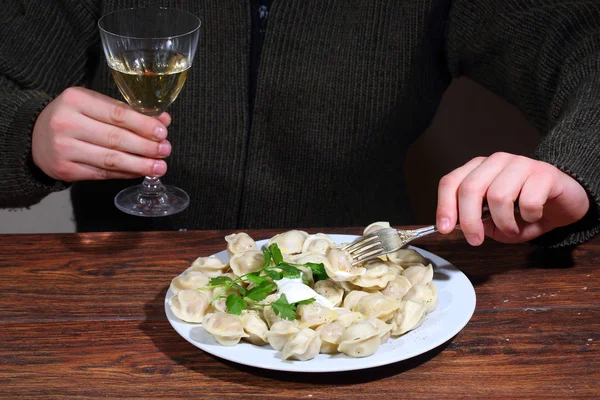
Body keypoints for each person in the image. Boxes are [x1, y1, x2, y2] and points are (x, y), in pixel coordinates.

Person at [0, 1, 598, 249]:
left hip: (362, 297)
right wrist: (25, 133)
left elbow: (584, 44)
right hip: (118, 295)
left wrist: (575, 166)